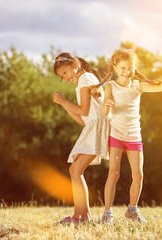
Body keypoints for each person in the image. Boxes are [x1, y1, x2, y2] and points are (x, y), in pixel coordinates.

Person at [91, 49, 162, 223]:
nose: (127, 72)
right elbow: (104, 112)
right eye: (124, 68)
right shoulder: (111, 86)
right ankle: (107, 213)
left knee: (139, 175)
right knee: (114, 173)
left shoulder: (137, 86)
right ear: (115, 67)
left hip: (134, 136)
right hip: (116, 135)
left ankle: (132, 210)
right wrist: (107, 105)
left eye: (131, 68)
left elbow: (161, 88)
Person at [53, 53, 110, 224]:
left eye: (65, 72)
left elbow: (83, 111)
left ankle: (82, 217)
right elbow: (81, 119)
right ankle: (80, 215)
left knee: (75, 170)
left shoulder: (85, 78)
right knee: (75, 170)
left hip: (98, 126)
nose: (65, 77)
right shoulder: (85, 80)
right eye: (62, 76)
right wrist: (64, 105)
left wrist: (64, 102)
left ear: (75, 64)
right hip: (93, 125)